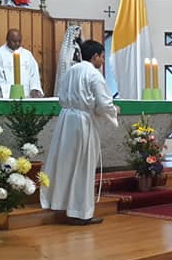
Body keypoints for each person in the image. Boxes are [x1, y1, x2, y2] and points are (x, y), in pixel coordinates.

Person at [40, 40, 119, 225]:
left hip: (66, 120)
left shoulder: (70, 71)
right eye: (102, 57)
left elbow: (62, 95)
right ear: (95, 56)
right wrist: (114, 110)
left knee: (65, 163)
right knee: (83, 166)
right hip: (83, 122)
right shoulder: (94, 74)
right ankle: (80, 212)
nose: (103, 61)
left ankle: (59, 203)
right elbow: (104, 104)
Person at [0, 29, 44, 99]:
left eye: (19, 41)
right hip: (6, 97)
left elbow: (34, 75)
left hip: (27, 97)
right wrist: (9, 93)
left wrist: (34, 89)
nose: (17, 44)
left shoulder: (27, 55)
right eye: (14, 41)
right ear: (7, 40)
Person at [54, 25, 82, 95]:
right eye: (76, 31)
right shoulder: (67, 47)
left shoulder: (77, 46)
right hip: (69, 69)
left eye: (78, 31)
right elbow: (65, 60)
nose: (78, 33)